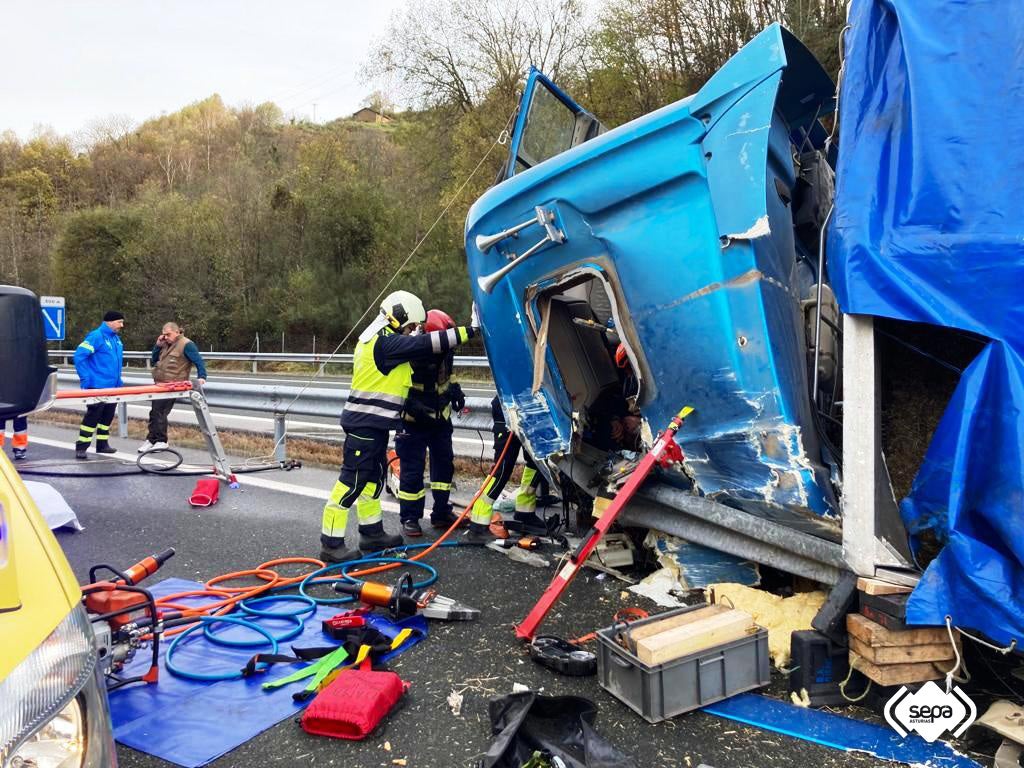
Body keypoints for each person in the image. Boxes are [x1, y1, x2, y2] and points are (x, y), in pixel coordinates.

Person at [319, 291, 479, 563]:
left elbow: (416, 343)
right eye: (410, 326)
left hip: (375, 425)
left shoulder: (380, 336)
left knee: (373, 479)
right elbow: (428, 343)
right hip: (364, 425)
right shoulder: (385, 343)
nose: (411, 331)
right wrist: (472, 330)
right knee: (352, 482)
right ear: (399, 317)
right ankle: (331, 544)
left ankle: (371, 533)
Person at [394, 309, 466, 537]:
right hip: (414, 422)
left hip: (440, 420)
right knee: (412, 471)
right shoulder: (410, 351)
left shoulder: (445, 350)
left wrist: (456, 390)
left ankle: (441, 512)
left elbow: (448, 374)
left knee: (444, 467)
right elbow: (397, 384)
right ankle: (410, 518)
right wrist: (410, 405)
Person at [467, 395, 556, 544]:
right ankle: (478, 524)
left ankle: (525, 513)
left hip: (533, 410)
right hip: (509, 408)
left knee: (537, 462)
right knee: (503, 469)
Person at [139, 322, 208, 453]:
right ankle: (152, 439)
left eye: (168, 334)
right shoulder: (165, 345)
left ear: (177, 332)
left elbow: (198, 361)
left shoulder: (186, 344)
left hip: (174, 385)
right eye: (163, 335)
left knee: (160, 412)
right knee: (154, 412)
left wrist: (202, 376)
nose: (165, 337)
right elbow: (154, 361)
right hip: (159, 384)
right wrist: (157, 346)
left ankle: (161, 441)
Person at [73, 310, 125, 459]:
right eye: (119, 322)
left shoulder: (116, 339)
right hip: (97, 385)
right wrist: (85, 378)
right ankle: (82, 446)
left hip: (113, 386)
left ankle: (102, 444)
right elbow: (79, 356)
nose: (122, 325)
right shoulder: (96, 336)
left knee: (107, 417)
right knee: (93, 416)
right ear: (109, 322)